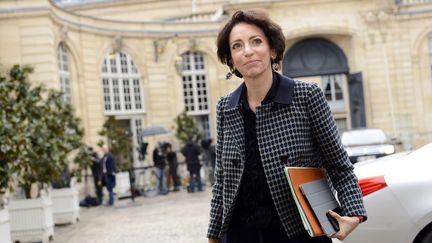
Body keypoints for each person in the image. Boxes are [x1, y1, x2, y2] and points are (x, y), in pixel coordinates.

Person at [207, 9, 367, 243]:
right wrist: (213, 234)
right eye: (237, 46)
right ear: (231, 60)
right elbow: (222, 180)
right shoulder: (225, 107)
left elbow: (339, 165)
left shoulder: (306, 96)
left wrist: (353, 212)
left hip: (298, 232)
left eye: (256, 41)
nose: (248, 51)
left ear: (272, 50)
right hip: (241, 234)